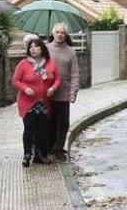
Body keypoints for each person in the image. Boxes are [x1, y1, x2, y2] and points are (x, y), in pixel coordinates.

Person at [11, 35, 60, 167]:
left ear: (42, 48)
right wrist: (25, 88)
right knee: (29, 129)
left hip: (44, 102)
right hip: (28, 103)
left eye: (36, 47)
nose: (33, 49)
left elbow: (57, 79)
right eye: (30, 47)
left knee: (42, 130)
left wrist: (53, 88)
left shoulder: (50, 63)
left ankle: (40, 155)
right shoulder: (24, 64)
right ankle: (27, 155)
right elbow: (15, 81)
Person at [47, 23, 80, 161]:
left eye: (63, 33)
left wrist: (73, 91)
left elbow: (75, 74)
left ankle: (59, 148)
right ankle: (50, 147)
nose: (60, 35)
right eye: (57, 32)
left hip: (64, 93)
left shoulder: (70, 51)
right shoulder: (46, 49)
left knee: (63, 123)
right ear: (53, 33)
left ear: (65, 35)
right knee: (50, 122)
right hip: (48, 93)